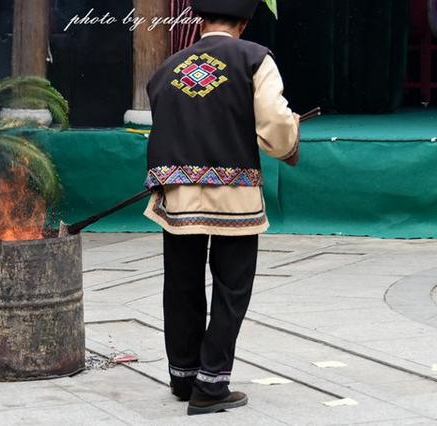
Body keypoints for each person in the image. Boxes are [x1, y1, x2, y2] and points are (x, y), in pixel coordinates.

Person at [143, 0, 300, 416]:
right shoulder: (254, 57)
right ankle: (211, 384)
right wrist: (288, 141)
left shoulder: (167, 67)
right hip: (235, 198)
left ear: (199, 20)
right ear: (245, 22)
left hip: (176, 196)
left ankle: (183, 377)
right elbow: (276, 124)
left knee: (181, 285)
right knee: (231, 290)